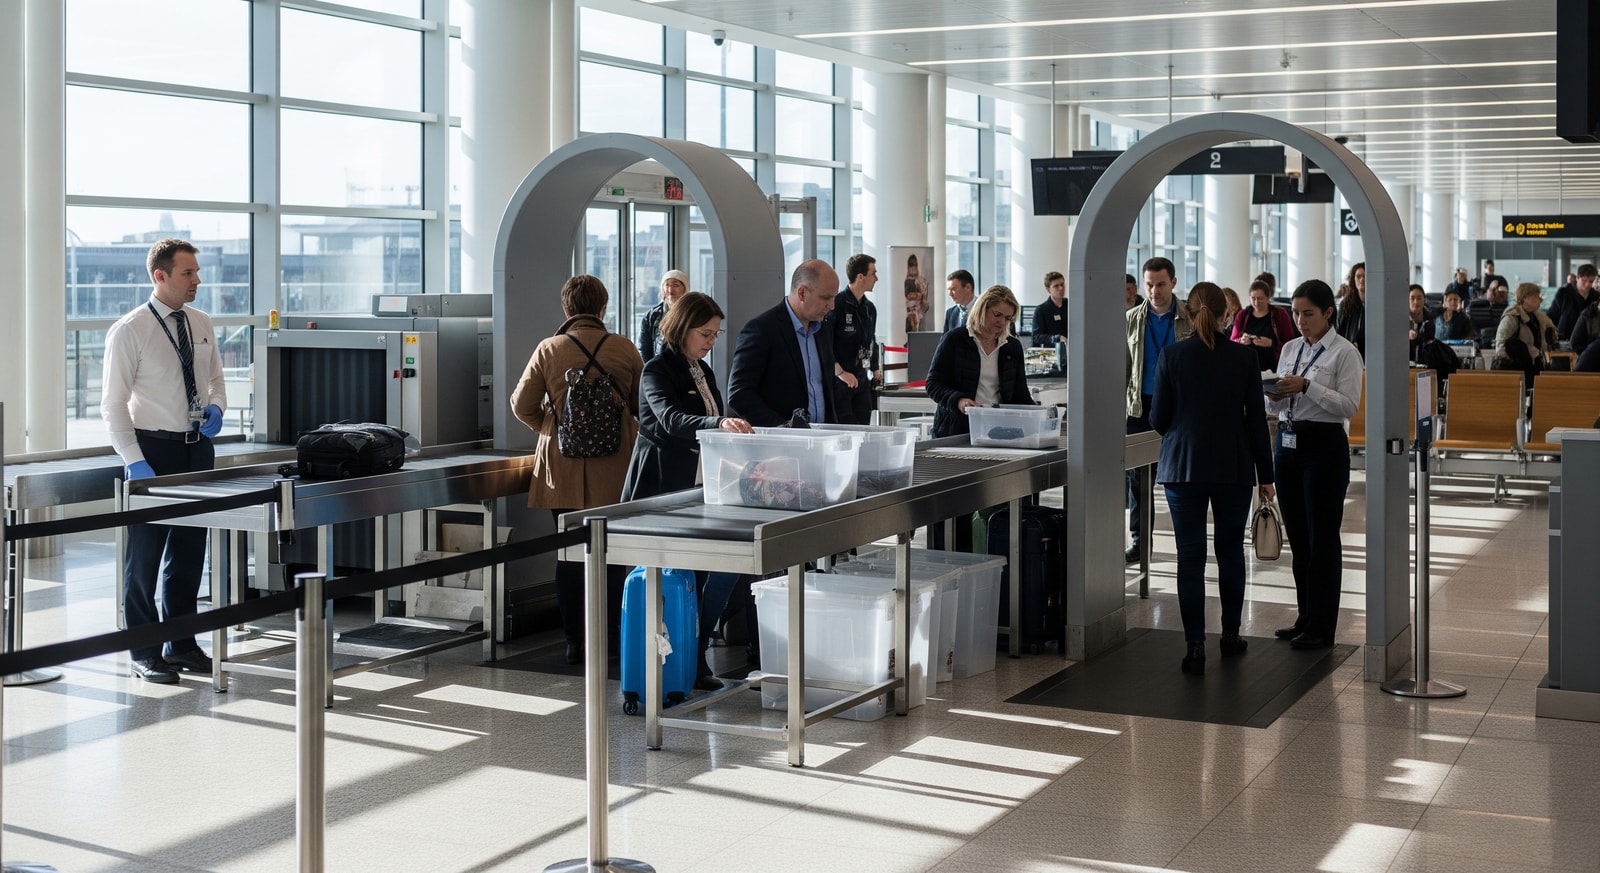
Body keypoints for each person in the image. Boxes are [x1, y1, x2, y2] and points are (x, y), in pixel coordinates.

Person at [102, 238, 228, 683]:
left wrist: (217, 408)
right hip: (152, 452)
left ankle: (182, 645)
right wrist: (134, 461)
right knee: (145, 559)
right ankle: (143, 652)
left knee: (190, 554)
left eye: (196, 272)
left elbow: (214, 378)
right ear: (160, 276)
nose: (197, 280)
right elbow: (113, 404)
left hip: (197, 448)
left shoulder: (201, 321)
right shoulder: (131, 329)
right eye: (187, 273)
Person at [619, 292, 752, 688]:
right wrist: (718, 426)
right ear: (682, 328)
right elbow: (671, 419)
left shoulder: (702, 370)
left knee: (726, 569)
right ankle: (680, 661)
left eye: (716, 334)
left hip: (703, 484)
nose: (711, 342)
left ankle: (695, 646)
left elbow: (715, 415)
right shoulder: (656, 371)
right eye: (705, 333)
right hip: (663, 488)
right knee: (679, 574)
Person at [510, 274, 644, 664]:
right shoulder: (623, 348)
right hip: (615, 469)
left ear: (566, 309)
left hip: (562, 470)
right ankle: (613, 638)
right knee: (613, 555)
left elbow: (521, 404)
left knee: (568, 556)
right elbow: (640, 406)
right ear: (603, 307)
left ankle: (574, 641)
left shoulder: (549, 349)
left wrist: (552, 428)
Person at [1148, 282, 1275, 675]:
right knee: (1230, 552)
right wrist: (1266, 475)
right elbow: (1256, 420)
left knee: (1189, 557)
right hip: (1233, 466)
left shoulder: (1171, 355)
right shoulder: (1243, 359)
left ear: (1187, 312)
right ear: (1226, 315)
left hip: (1182, 467)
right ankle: (1232, 635)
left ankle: (1194, 645)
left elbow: (1158, 420)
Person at [1266, 279, 1363, 651]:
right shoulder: (1289, 348)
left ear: (1328, 313)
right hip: (1288, 443)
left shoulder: (1344, 353)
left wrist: (1307, 387)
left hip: (1323, 446)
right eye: (1295, 313)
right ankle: (1305, 617)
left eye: (1308, 313)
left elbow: (1349, 406)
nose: (1301, 320)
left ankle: (1323, 627)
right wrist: (1274, 395)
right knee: (1299, 538)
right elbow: (1276, 404)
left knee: (1323, 538)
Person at [1124, 256, 1194, 563]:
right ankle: (1140, 542)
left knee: (1181, 477)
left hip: (1179, 406)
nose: (1154, 291)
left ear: (1174, 283)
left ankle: (1186, 543)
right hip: (1140, 406)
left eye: (1161, 284)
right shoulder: (1130, 320)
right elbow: (1123, 368)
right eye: (1149, 285)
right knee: (1138, 481)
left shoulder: (1190, 319)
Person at [727, 259, 841, 427]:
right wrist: (782, 427)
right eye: (826, 298)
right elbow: (739, 393)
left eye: (834, 298)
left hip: (821, 440)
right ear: (802, 293)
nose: (831, 306)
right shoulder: (761, 330)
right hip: (779, 444)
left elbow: (826, 390)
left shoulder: (824, 330)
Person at [925, 284, 1034, 438]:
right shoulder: (955, 339)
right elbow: (933, 384)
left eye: (1008, 318)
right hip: (955, 430)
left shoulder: (1012, 346)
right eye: (997, 315)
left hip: (998, 430)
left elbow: (1020, 394)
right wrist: (959, 400)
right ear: (982, 309)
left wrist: (1039, 418)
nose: (1002, 322)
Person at [831, 253, 880, 424]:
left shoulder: (869, 309)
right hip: (839, 382)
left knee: (864, 428)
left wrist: (875, 368)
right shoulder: (836, 305)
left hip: (861, 379)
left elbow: (871, 340)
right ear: (860, 277)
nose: (876, 278)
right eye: (873, 273)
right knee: (845, 431)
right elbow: (824, 344)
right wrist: (840, 373)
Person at [1494, 282, 1558, 383]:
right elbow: (1500, 347)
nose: (1540, 300)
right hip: (1515, 372)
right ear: (1524, 298)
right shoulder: (1511, 317)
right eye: (1536, 297)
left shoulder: (1538, 318)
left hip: (1533, 368)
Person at [1232, 278, 1295, 370]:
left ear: (1268, 298)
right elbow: (1232, 340)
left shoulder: (1279, 314)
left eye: (1261, 298)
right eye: (1253, 298)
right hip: (1246, 366)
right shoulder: (1243, 314)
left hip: (1273, 367)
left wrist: (1271, 343)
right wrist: (1241, 341)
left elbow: (1291, 345)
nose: (1257, 302)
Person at [636, 270, 690, 364]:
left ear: (685, 288)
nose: (670, 290)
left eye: (675, 285)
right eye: (667, 285)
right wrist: (651, 370)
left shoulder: (691, 313)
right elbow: (643, 349)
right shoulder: (651, 316)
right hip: (658, 369)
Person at [1548, 263, 1598, 341]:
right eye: (1584, 281)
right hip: (1565, 338)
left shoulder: (1595, 296)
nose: (1587, 284)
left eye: (1591, 281)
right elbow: (1553, 315)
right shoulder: (1564, 292)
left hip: (1587, 339)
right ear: (1577, 278)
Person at [1335, 261, 1367, 357]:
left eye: (1365, 276)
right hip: (1349, 353)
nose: (1362, 279)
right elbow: (1339, 331)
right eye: (1358, 276)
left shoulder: (1379, 304)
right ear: (1353, 279)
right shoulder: (1346, 304)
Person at [1032, 271, 1068, 347]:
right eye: (1056, 286)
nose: (1061, 288)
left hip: (1073, 349)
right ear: (1048, 290)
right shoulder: (1041, 310)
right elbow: (1036, 337)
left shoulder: (1072, 306)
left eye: (1062, 284)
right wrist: (1057, 338)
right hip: (1051, 351)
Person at [1407, 284, 1436, 361]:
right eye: (1412, 298)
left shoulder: (1429, 318)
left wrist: (1417, 337)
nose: (1416, 302)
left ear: (1424, 300)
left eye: (1419, 298)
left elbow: (1429, 342)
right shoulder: (1397, 318)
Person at [903, 253, 929, 331]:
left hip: (920, 310)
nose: (913, 268)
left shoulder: (921, 280)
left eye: (915, 265)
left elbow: (924, 295)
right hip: (911, 310)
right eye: (911, 265)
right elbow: (908, 295)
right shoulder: (907, 281)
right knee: (912, 327)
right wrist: (918, 295)